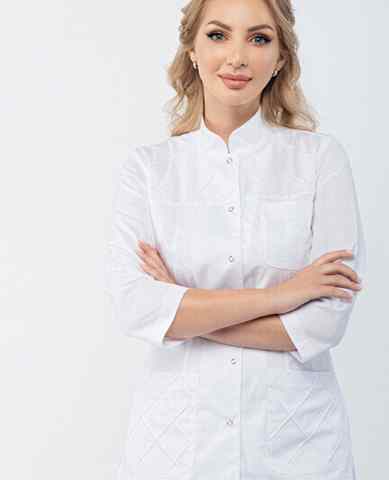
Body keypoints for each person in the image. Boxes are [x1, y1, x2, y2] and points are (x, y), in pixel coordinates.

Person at [105, 0, 366, 478]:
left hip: (296, 445)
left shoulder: (320, 160)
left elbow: (324, 322)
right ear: (192, 48)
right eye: (218, 35)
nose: (237, 57)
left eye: (259, 38)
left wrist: (183, 308)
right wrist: (283, 296)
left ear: (281, 57)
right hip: (177, 446)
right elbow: (137, 307)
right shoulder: (149, 170)